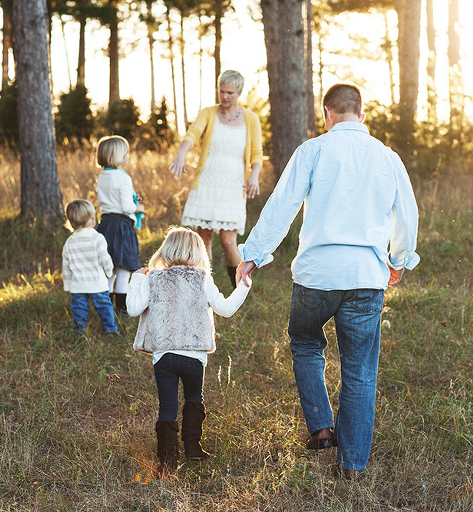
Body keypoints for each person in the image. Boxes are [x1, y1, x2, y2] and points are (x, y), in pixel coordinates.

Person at [237, 83, 420, 480]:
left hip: (317, 276)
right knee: (359, 372)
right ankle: (351, 466)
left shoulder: (314, 151)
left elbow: (282, 205)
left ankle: (321, 426)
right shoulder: (388, 158)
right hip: (366, 278)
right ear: (362, 113)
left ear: (328, 114)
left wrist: (251, 254)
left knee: (304, 343)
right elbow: (408, 214)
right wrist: (400, 260)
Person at [127, 226, 251, 473]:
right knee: (195, 398)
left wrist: (137, 279)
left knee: (167, 406)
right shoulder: (203, 278)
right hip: (195, 355)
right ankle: (193, 449)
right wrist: (244, 286)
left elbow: (132, 308)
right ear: (199, 252)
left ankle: (168, 459)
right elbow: (225, 309)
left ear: (167, 250)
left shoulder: (153, 278)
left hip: (164, 355)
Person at [168, 69, 263, 288]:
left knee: (229, 242)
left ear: (239, 91)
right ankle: (204, 289)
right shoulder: (209, 113)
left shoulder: (251, 119)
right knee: (204, 239)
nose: (225, 96)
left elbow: (257, 153)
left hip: (233, 184)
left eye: (230, 92)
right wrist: (182, 152)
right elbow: (193, 133)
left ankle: (239, 289)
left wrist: (255, 175)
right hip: (208, 182)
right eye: (221, 91)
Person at [95, 135, 146, 314]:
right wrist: (138, 207)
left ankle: (105, 306)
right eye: (126, 153)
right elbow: (126, 207)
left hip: (105, 224)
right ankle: (122, 308)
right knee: (123, 269)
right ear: (117, 156)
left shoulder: (102, 176)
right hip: (122, 226)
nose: (127, 156)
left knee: (109, 268)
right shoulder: (123, 178)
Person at [62, 199, 119, 335]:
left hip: (78, 285)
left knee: (79, 309)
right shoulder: (97, 238)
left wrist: (68, 285)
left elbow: (66, 266)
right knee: (104, 306)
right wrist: (109, 271)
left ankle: (80, 331)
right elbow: (105, 258)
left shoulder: (69, 242)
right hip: (96, 282)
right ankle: (110, 329)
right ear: (91, 220)